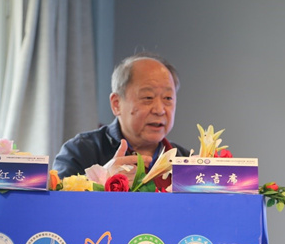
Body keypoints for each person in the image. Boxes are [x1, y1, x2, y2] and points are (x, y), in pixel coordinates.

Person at [52, 52, 190, 189]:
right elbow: (58, 198)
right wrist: (101, 179)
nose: (159, 110)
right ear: (116, 104)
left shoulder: (185, 160)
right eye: (148, 97)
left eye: (168, 98)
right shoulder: (80, 151)